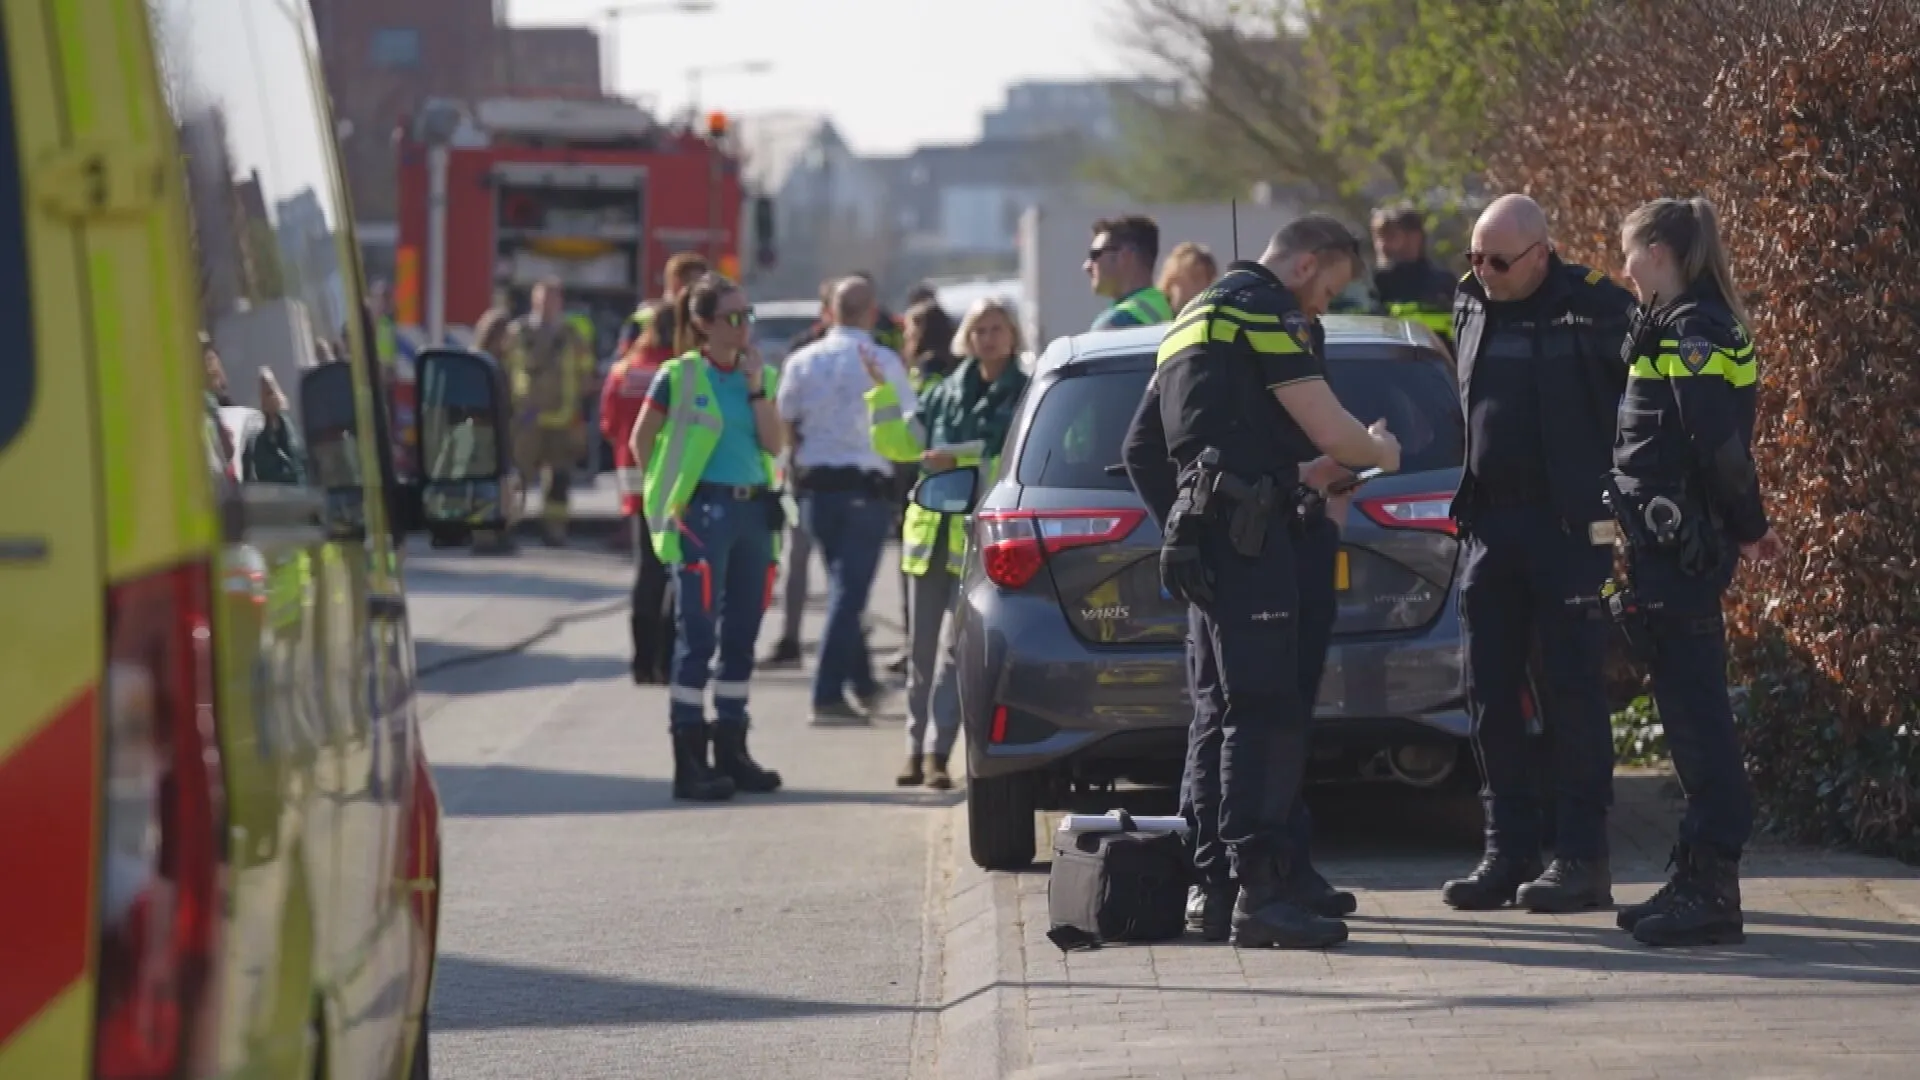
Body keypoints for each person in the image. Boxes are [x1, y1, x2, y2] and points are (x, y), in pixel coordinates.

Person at [1120, 214, 1401, 949]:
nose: (1321, 312)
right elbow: (1331, 431)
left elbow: (1140, 448)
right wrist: (1381, 451)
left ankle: (1215, 890)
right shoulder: (1264, 311)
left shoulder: (1191, 317)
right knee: (1265, 713)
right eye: (1328, 293)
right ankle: (1260, 894)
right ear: (1308, 265)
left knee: (1218, 713)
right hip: (1254, 540)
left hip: (1208, 544)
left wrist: (1183, 521)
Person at [1438, 194, 1638, 915]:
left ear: (1541, 253)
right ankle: (1508, 851)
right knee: (1487, 696)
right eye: (1475, 257)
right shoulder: (1470, 303)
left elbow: (1644, 408)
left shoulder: (1596, 307)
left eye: (1498, 260)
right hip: (1491, 528)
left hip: (1568, 532)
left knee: (1573, 695)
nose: (1483, 271)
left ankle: (1583, 859)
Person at [1609, 197, 1780, 948]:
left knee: (1700, 718)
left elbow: (1719, 450)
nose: (1622, 266)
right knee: (1684, 716)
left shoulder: (1699, 330)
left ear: (1659, 250)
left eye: (1629, 252)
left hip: (1683, 555)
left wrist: (1751, 530)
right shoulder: (1671, 324)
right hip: (1660, 552)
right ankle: (1694, 875)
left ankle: (1713, 889)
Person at [628, 273, 786, 801]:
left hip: (753, 513)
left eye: (748, 317)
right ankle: (689, 758)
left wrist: (758, 387)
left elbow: (773, 441)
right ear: (702, 323)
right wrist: (672, 497)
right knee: (697, 639)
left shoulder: (755, 376)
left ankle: (733, 750)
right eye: (732, 318)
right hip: (703, 513)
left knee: (742, 636)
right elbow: (641, 441)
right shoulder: (679, 375)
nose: (743, 328)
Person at [865, 297, 1030, 788]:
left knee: (957, 653)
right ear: (967, 337)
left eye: (998, 328)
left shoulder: (1024, 392)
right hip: (930, 535)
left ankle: (940, 752)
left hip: (980, 540)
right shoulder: (943, 391)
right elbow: (902, 446)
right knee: (919, 653)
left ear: (1013, 334)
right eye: (980, 329)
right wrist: (881, 398)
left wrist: (956, 460)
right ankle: (913, 751)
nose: (989, 337)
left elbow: (1010, 461)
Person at [776, 277, 915, 725]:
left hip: (815, 491)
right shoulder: (884, 361)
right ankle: (828, 695)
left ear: (831, 311)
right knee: (849, 594)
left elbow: (785, 423)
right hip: (862, 490)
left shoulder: (801, 361)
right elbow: (907, 427)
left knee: (843, 590)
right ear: (871, 312)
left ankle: (862, 684)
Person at [882, 298, 961, 675]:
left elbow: (913, 433)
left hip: (919, 484)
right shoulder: (957, 369)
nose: (905, 340)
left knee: (916, 576)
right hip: (945, 486)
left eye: (909, 332)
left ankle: (915, 646)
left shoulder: (926, 375)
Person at [603, 300, 675, 684]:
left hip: (633, 480)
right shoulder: (681, 372)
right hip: (676, 481)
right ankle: (667, 660)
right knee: (675, 572)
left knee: (646, 570)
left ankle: (641, 662)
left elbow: (609, 423)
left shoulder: (623, 370)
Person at [501, 279, 596, 546]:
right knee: (517, 477)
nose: (546, 305)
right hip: (525, 418)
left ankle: (555, 531)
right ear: (533, 301)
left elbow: (586, 372)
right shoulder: (517, 332)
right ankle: (504, 527)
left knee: (558, 478)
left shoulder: (572, 335)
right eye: (542, 300)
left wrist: (581, 407)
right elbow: (505, 368)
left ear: (560, 303)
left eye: (552, 300)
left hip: (562, 417)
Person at [1370, 203, 1457, 345]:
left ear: (1414, 237)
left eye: (1391, 236)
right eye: (1378, 237)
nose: (1382, 245)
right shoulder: (1374, 284)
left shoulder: (1444, 284)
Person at [1086, 215, 1173, 330]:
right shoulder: (1165, 306)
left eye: (1095, 254)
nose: (1087, 266)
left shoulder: (1115, 323)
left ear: (1125, 256)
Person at [244, 368, 305, 485]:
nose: (271, 398)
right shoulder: (259, 442)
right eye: (267, 394)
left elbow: (299, 461)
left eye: (272, 392)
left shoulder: (292, 431)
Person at [1157, 241, 1219, 315]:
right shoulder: (1154, 313)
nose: (1205, 286)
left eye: (1209, 277)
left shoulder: (1214, 314)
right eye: (1195, 277)